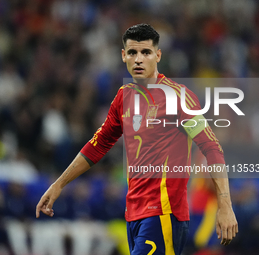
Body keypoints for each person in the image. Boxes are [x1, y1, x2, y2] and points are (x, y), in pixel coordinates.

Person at [36, 24, 238, 255]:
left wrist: (225, 205)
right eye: (132, 52)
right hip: (134, 214)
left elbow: (212, 148)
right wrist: (58, 184)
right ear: (123, 56)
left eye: (146, 52)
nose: (139, 59)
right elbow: (98, 145)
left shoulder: (179, 97)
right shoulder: (124, 97)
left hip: (164, 212)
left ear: (158, 55)